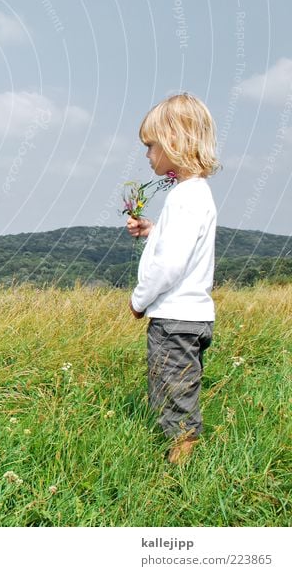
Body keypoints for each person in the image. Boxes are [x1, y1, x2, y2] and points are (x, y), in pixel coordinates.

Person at [126, 93, 220, 464]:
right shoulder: (196, 194)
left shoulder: (184, 197)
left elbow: (169, 265)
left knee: (176, 402)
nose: (148, 154)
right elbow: (180, 242)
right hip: (193, 317)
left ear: (174, 142)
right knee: (175, 391)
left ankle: (180, 476)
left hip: (174, 319)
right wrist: (153, 229)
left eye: (150, 145)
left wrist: (138, 300)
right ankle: (178, 461)